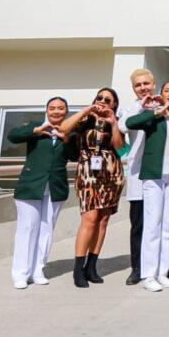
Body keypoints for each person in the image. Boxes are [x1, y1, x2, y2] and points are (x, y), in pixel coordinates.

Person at [59, 87, 126, 288]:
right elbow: (63, 129)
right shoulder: (84, 119)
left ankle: (91, 266)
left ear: (114, 104)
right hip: (88, 171)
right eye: (100, 97)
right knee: (89, 218)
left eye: (108, 99)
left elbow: (120, 145)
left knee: (103, 219)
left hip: (111, 172)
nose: (104, 101)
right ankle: (78, 269)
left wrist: (113, 123)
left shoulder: (115, 120)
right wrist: (87, 110)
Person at [124, 81, 169, 292]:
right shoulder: (154, 116)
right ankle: (148, 274)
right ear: (161, 94)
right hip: (154, 176)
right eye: (167, 91)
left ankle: (162, 271)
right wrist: (156, 112)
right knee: (152, 225)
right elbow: (130, 123)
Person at [8, 96, 73, 289]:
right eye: (52, 108)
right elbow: (13, 136)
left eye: (60, 108)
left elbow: (75, 154)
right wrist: (36, 131)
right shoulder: (36, 126)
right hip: (31, 185)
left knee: (46, 230)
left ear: (66, 111)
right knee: (27, 229)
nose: (56, 112)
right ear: (46, 110)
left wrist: (67, 139)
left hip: (55, 186)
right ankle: (21, 273)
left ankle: (37, 269)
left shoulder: (69, 130)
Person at [116, 68, 157, 286]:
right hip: (138, 174)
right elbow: (123, 126)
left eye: (146, 84)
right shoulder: (130, 109)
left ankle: (159, 266)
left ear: (154, 84)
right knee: (139, 225)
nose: (143, 88)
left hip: (160, 175)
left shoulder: (163, 105)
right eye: (138, 85)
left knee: (157, 224)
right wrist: (142, 106)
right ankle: (137, 267)